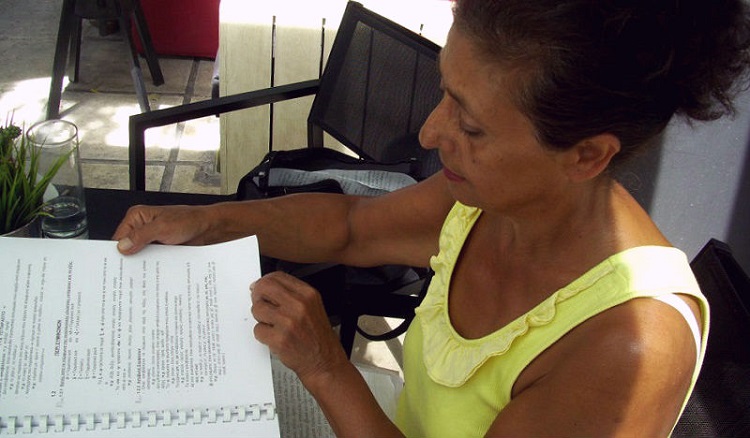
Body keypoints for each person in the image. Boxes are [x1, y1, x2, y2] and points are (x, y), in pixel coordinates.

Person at [113, 0, 750, 435]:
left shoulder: (625, 347)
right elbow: (353, 227)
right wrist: (210, 221)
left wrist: (327, 368)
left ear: (585, 155)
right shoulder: (488, 201)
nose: (428, 132)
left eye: (470, 126)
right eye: (446, 91)